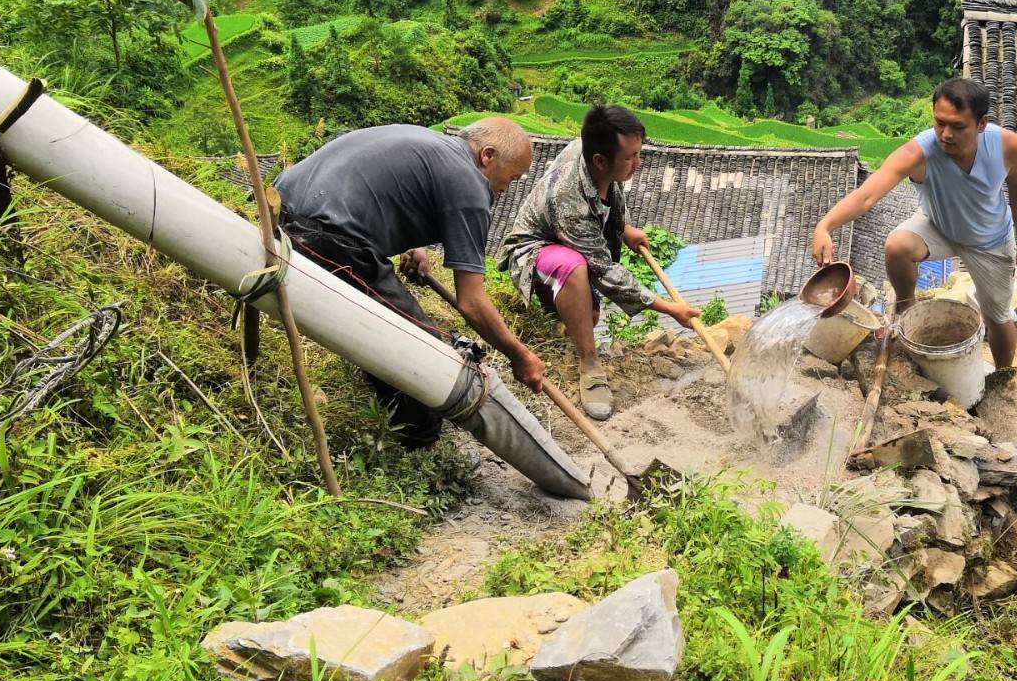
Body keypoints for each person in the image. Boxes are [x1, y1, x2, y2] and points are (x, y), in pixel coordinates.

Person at [274, 118, 546, 447]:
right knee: (422, 353)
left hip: (280, 210)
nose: (507, 188)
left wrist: (411, 245)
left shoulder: (431, 143)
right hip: (322, 237)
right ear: (487, 156)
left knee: (385, 323)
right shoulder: (471, 184)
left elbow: (382, 186)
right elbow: (472, 302)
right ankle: (416, 441)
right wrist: (520, 355)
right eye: (512, 177)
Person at [810, 77, 1017, 371]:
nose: (945, 134)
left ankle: (1003, 378)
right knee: (897, 245)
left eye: (957, 126)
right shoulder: (918, 153)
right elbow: (867, 196)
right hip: (938, 225)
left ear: (981, 124)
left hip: (990, 240)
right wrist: (824, 226)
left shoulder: (1007, 146)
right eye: (939, 122)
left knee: (998, 316)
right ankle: (906, 308)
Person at [500, 104, 700, 420]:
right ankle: (589, 363)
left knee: (588, 315)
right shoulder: (570, 202)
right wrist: (668, 308)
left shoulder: (595, 152)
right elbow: (604, 270)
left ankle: (569, 321)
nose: (638, 162)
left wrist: (625, 229)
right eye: (630, 157)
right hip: (534, 250)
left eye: (639, 153)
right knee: (575, 269)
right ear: (600, 159)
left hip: (568, 242)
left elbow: (609, 197)